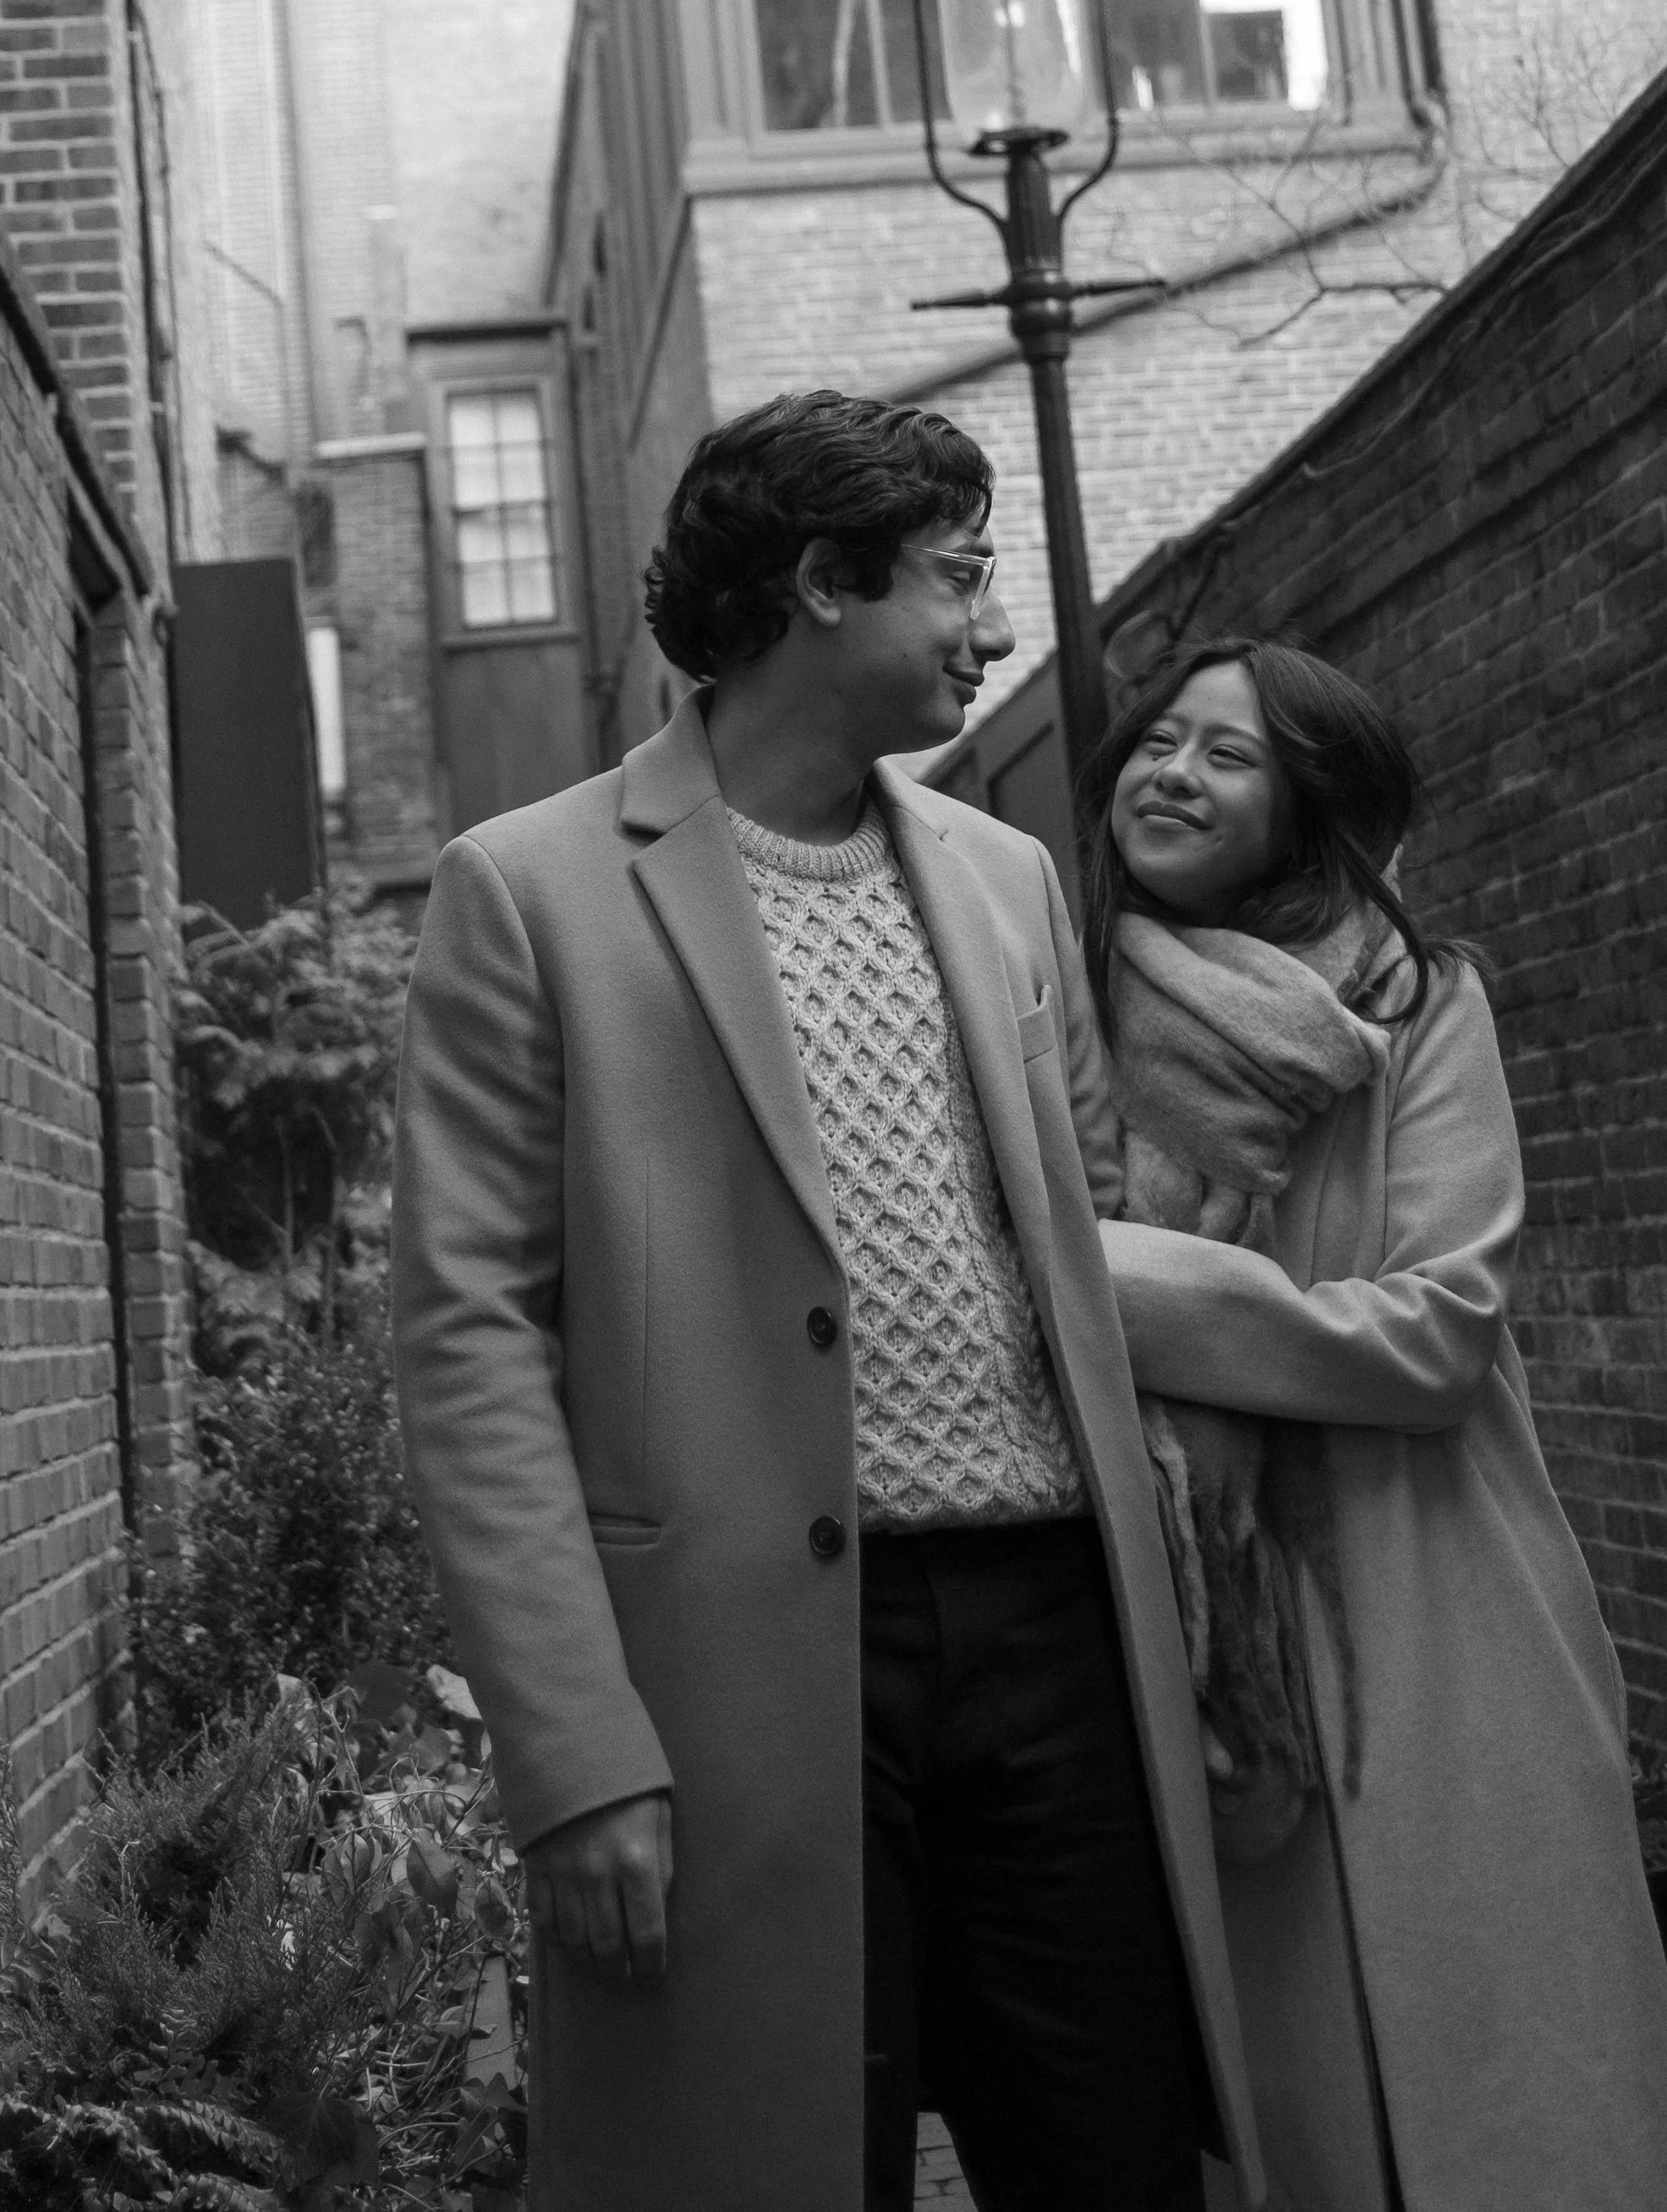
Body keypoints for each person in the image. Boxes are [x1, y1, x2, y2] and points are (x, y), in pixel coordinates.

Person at [390, 394, 1262, 2212]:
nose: (998, 627)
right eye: (958, 578)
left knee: (1116, 2165)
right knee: (768, 2166)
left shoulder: (1009, 879)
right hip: (736, 1668)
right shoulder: (527, 894)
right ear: (818, 587)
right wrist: (570, 1752)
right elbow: (470, 1344)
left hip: (1052, 1639)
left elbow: (1083, 1240)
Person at [1080, 635, 1667, 2212]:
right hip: (1205, 1645)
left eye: (1229, 754)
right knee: (1305, 2126)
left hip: (1439, 1604)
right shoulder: (1060, 1016)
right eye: (1159, 739)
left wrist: (1104, 1280)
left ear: (1310, 802)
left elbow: (1436, 1334)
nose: (1174, 770)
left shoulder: (1415, 1001)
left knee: (1520, 2099)